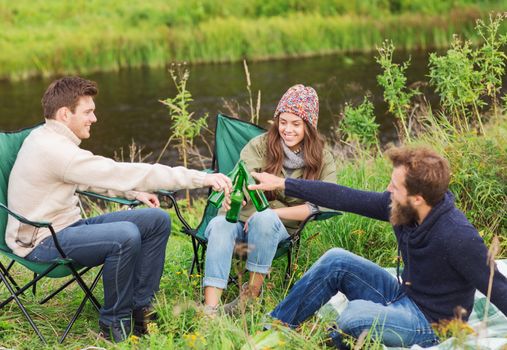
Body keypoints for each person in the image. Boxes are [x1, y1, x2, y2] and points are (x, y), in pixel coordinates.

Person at [6, 76, 232, 342]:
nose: (95, 118)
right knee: (124, 235)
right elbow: (119, 171)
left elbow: (87, 176)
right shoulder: (55, 150)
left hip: (64, 229)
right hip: (41, 241)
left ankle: (140, 311)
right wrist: (200, 178)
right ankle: (114, 325)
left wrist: (132, 192)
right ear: (65, 114)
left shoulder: (50, 138)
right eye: (88, 111)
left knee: (156, 220)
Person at [248, 146, 507, 348]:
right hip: (402, 295)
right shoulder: (403, 207)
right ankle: (270, 332)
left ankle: (328, 344)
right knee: (336, 260)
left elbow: (497, 286)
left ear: (417, 198)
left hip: (432, 325)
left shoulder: (457, 236)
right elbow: (345, 197)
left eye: (394, 187)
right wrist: (283, 183)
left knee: (354, 315)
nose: (387, 190)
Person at [202, 84, 336, 315]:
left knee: (264, 220)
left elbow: (323, 203)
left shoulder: (322, 158)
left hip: (277, 231)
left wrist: (274, 213)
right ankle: (210, 311)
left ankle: (249, 299)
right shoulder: (260, 145)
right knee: (219, 223)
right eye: (283, 122)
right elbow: (241, 182)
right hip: (239, 231)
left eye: (296, 124)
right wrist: (231, 198)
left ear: (309, 126)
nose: (287, 130)